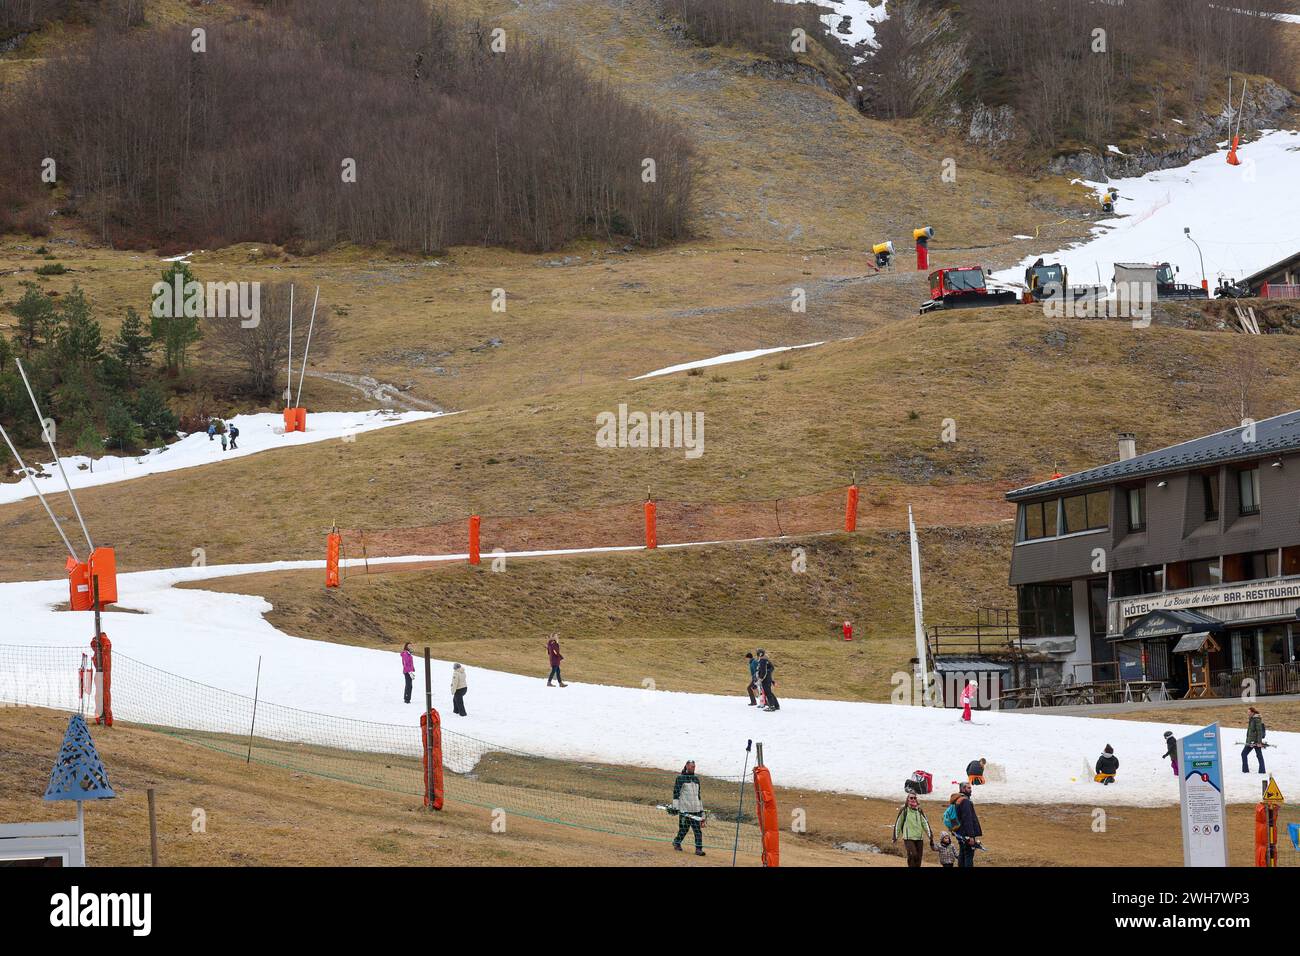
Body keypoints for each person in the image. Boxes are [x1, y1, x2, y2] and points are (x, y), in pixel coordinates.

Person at [670, 760, 706, 856]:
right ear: (686, 766)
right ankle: (677, 842)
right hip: (685, 810)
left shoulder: (696, 779)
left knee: (697, 830)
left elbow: (698, 796)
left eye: (694, 766)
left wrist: (702, 811)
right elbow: (676, 793)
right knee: (684, 829)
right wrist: (675, 807)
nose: (693, 768)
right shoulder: (680, 778)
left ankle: (698, 849)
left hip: (696, 810)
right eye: (691, 766)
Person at [892, 791, 935, 868]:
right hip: (908, 838)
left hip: (919, 838)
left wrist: (930, 835)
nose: (913, 799)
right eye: (911, 798)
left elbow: (925, 823)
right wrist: (895, 836)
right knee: (913, 855)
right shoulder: (904, 810)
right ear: (907, 799)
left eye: (915, 798)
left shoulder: (919, 810)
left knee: (918, 858)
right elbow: (898, 823)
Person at [951, 783, 983, 867]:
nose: (970, 790)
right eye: (968, 788)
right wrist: (971, 836)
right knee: (968, 855)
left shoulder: (957, 800)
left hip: (959, 832)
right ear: (963, 789)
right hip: (966, 834)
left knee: (962, 853)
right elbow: (967, 819)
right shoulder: (965, 801)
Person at [1242, 706, 1266, 774]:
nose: (1248, 713)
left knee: (1259, 755)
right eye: (1247, 712)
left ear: (1252, 712)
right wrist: (1247, 741)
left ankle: (1262, 771)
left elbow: (1259, 731)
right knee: (1244, 754)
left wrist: (1259, 742)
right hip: (1250, 741)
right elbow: (1250, 731)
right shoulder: (1251, 719)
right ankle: (1245, 771)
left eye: (1249, 712)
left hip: (1255, 742)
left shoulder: (1257, 719)